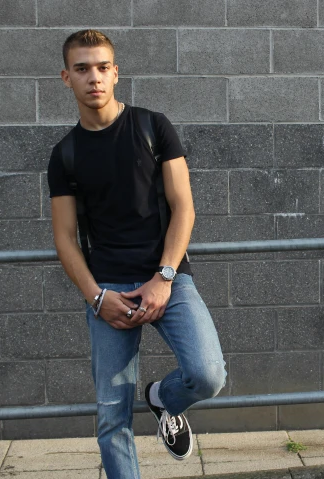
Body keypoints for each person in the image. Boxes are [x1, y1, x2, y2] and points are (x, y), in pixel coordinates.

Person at [47, 29, 226, 478]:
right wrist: (96, 297)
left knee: (208, 375)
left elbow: (184, 207)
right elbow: (66, 238)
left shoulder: (152, 126)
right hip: (108, 290)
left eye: (103, 67)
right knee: (112, 419)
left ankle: (165, 398)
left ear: (116, 73)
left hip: (167, 278)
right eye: (83, 69)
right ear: (66, 77)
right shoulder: (64, 154)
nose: (94, 78)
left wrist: (164, 277)